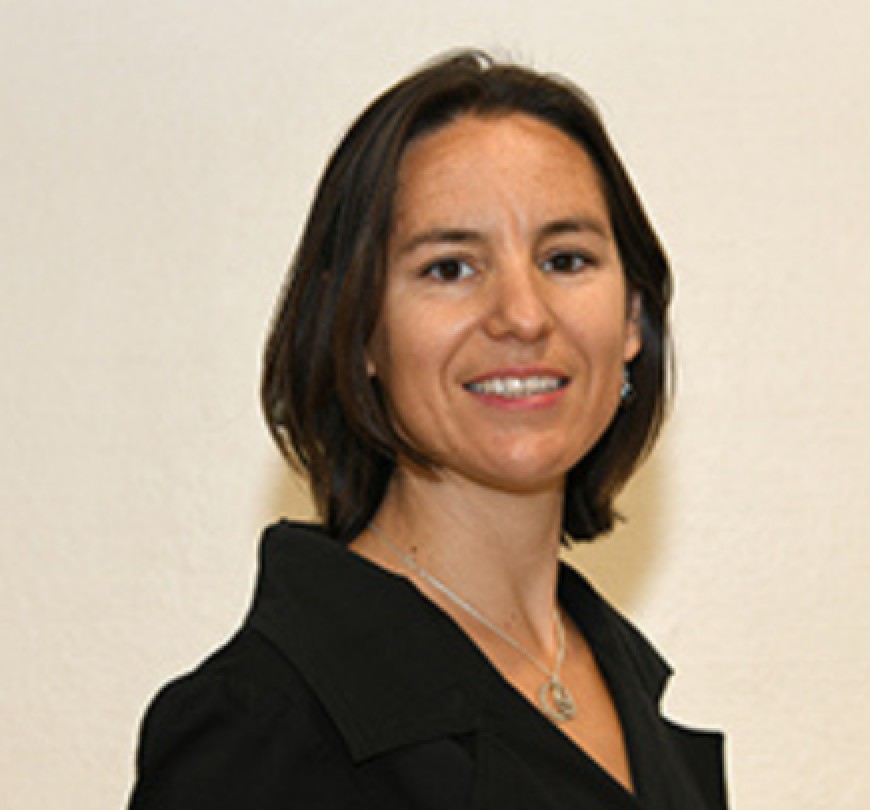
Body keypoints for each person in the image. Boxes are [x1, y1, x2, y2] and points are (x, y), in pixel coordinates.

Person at [128, 50, 727, 809]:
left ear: (633, 318)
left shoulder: (626, 686)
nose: (523, 316)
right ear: (358, 330)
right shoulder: (262, 727)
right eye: (450, 268)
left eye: (565, 259)